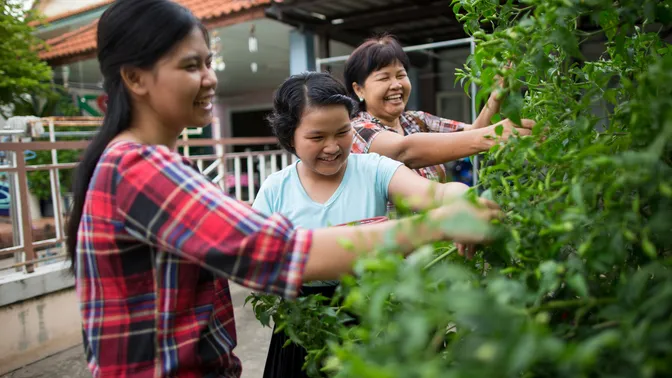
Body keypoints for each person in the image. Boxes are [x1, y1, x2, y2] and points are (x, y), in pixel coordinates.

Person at [65, 1, 501, 377]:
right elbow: (275, 252)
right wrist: (433, 226)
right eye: (189, 65)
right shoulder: (139, 168)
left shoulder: (141, 163)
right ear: (136, 79)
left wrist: (449, 202)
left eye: (207, 62)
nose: (210, 78)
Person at [251, 72, 475, 378]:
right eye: (317, 137)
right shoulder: (276, 188)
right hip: (303, 328)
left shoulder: (373, 169)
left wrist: (462, 201)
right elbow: (258, 263)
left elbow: (437, 195)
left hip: (372, 316)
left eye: (342, 132)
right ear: (290, 136)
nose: (332, 147)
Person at [344, 34, 536, 183]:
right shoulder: (357, 130)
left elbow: (472, 133)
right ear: (358, 89)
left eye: (400, 75)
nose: (396, 85)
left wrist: (494, 98)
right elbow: (406, 151)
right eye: (384, 78)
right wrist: (493, 135)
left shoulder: (415, 120)